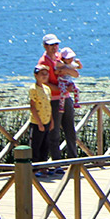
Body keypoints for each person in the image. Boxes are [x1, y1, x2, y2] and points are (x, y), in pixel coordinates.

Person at [38, 34, 75, 170]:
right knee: (54, 133)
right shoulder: (43, 62)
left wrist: (67, 73)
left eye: (56, 44)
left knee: (70, 130)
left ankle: (73, 161)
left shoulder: (61, 57)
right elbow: (45, 83)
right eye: (50, 45)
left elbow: (75, 72)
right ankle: (56, 164)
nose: (54, 47)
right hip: (54, 100)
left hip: (66, 98)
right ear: (45, 46)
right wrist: (61, 88)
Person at [28, 65, 54, 177]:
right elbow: (32, 106)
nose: (44, 76)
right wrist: (39, 123)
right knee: (35, 146)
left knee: (45, 145)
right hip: (37, 122)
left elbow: (49, 105)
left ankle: (44, 167)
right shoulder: (33, 89)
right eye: (42, 74)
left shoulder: (47, 89)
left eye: (46, 74)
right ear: (36, 75)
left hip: (47, 120)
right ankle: (34, 169)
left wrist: (52, 120)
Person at [57, 47, 82, 113]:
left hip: (69, 81)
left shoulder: (72, 64)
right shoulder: (61, 65)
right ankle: (61, 106)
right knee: (63, 92)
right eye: (68, 59)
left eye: (71, 58)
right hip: (63, 81)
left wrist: (79, 63)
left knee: (76, 89)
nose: (70, 60)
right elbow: (57, 71)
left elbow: (79, 67)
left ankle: (76, 102)